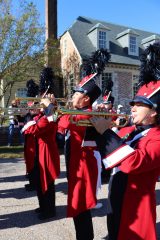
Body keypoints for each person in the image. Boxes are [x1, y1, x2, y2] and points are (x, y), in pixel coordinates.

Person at [90, 42, 160, 240]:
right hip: (117, 196)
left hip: (135, 205)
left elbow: (134, 162)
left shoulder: (157, 137)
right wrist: (97, 121)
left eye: (140, 104)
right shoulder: (132, 131)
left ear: (154, 111)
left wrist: (106, 133)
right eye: (133, 104)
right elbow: (103, 147)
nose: (133, 108)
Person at [21, 97, 60, 220]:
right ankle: (43, 206)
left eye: (43, 103)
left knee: (47, 182)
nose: (40, 105)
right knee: (39, 181)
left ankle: (49, 210)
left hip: (46, 152)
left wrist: (28, 116)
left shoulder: (51, 117)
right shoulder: (44, 116)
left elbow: (34, 129)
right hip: (40, 151)